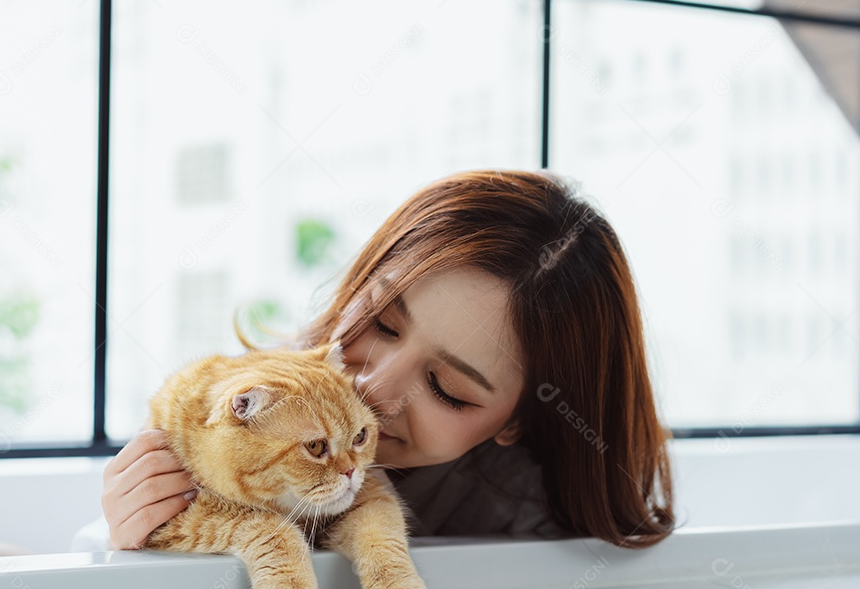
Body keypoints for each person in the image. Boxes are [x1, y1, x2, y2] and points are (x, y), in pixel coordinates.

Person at [87, 168, 675, 553]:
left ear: (521, 419)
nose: (373, 388)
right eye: (381, 323)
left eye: (446, 388)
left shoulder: (530, 519)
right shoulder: (244, 411)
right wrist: (126, 536)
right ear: (356, 284)